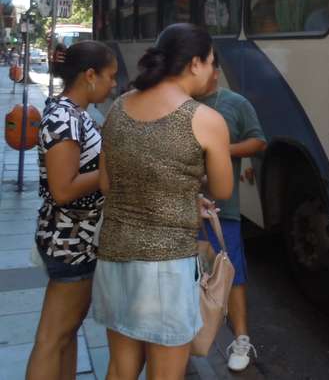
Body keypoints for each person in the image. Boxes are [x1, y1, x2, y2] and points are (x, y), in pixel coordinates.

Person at [93, 23, 233, 380]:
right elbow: (223, 189)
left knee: (120, 369)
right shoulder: (207, 120)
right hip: (166, 268)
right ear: (195, 64)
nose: (213, 71)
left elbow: (108, 185)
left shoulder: (119, 107)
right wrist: (188, 189)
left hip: (114, 257)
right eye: (211, 62)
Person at [26, 41, 117, 380]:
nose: (114, 84)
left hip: (78, 240)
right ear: (90, 75)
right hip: (70, 242)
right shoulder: (64, 116)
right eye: (110, 76)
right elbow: (63, 189)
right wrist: (109, 171)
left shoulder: (73, 113)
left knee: (65, 335)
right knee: (52, 338)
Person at [197, 52, 266, 371]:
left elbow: (258, 141)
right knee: (189, 274)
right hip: (182, 208)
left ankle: (241, 339)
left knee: (231, 272)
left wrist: (221, 150)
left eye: (211, 64)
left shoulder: (235, 103)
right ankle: (188, 334)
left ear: (215, 70)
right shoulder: (178, 102)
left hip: (224, 209)